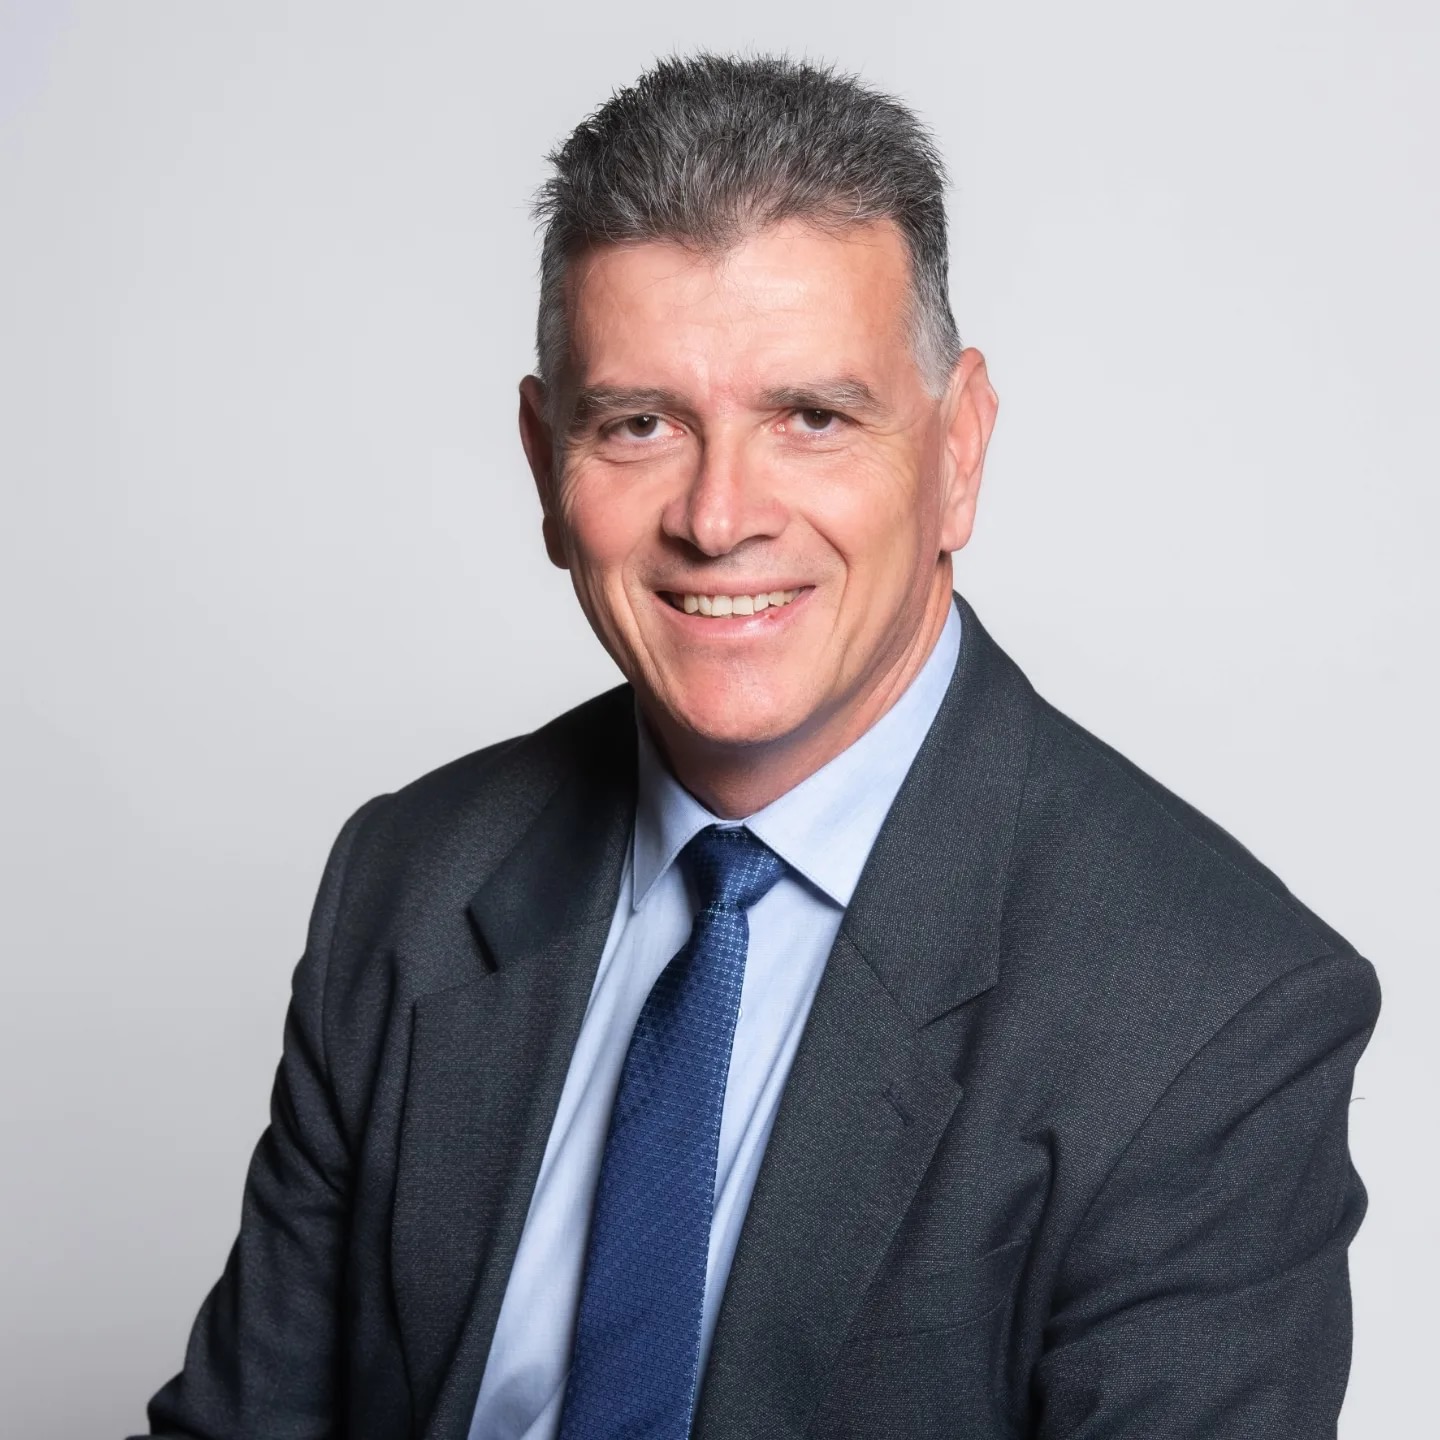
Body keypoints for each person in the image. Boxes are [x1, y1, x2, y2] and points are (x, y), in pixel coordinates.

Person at [138, 53, 1380, 1440]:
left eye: (813, 418)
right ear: (545, 463)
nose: (719, 517)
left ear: (959, 450)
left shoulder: (1211, 1013)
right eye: (640, 425)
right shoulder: (410, 883)